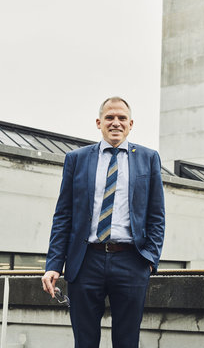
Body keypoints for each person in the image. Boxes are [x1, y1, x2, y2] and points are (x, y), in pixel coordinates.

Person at [41, 97, 165, 347]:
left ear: (131, 124)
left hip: (131, 261)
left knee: (127, 341)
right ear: (99, 123)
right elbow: (63, 215)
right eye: (109, 118)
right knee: (84, 341)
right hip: (85, 261)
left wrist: (149, 260)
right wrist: (54, 264)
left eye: (121, 118)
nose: (115, 123)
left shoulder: (149, 158)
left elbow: (156, 215)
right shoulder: (76, 159)